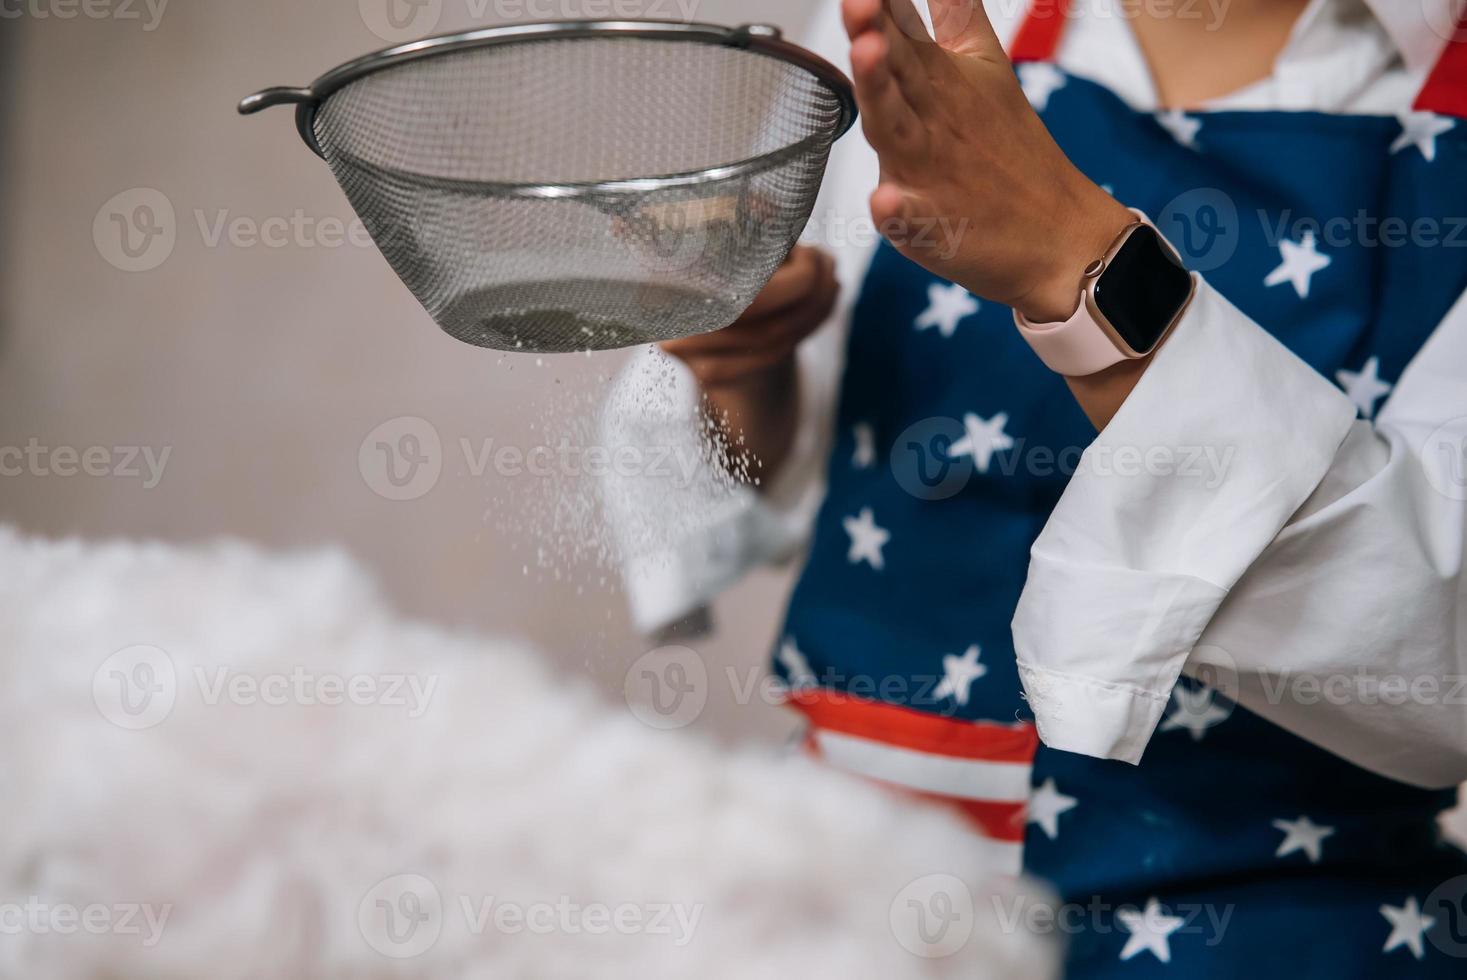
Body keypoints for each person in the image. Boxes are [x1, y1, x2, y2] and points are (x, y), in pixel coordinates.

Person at [603, 0, 1467, 973]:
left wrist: (1080, 266)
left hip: (1280, 932)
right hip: (846, 902)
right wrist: (740, 370)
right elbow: (756, 479)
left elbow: (1444, 656)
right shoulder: (938, 29)